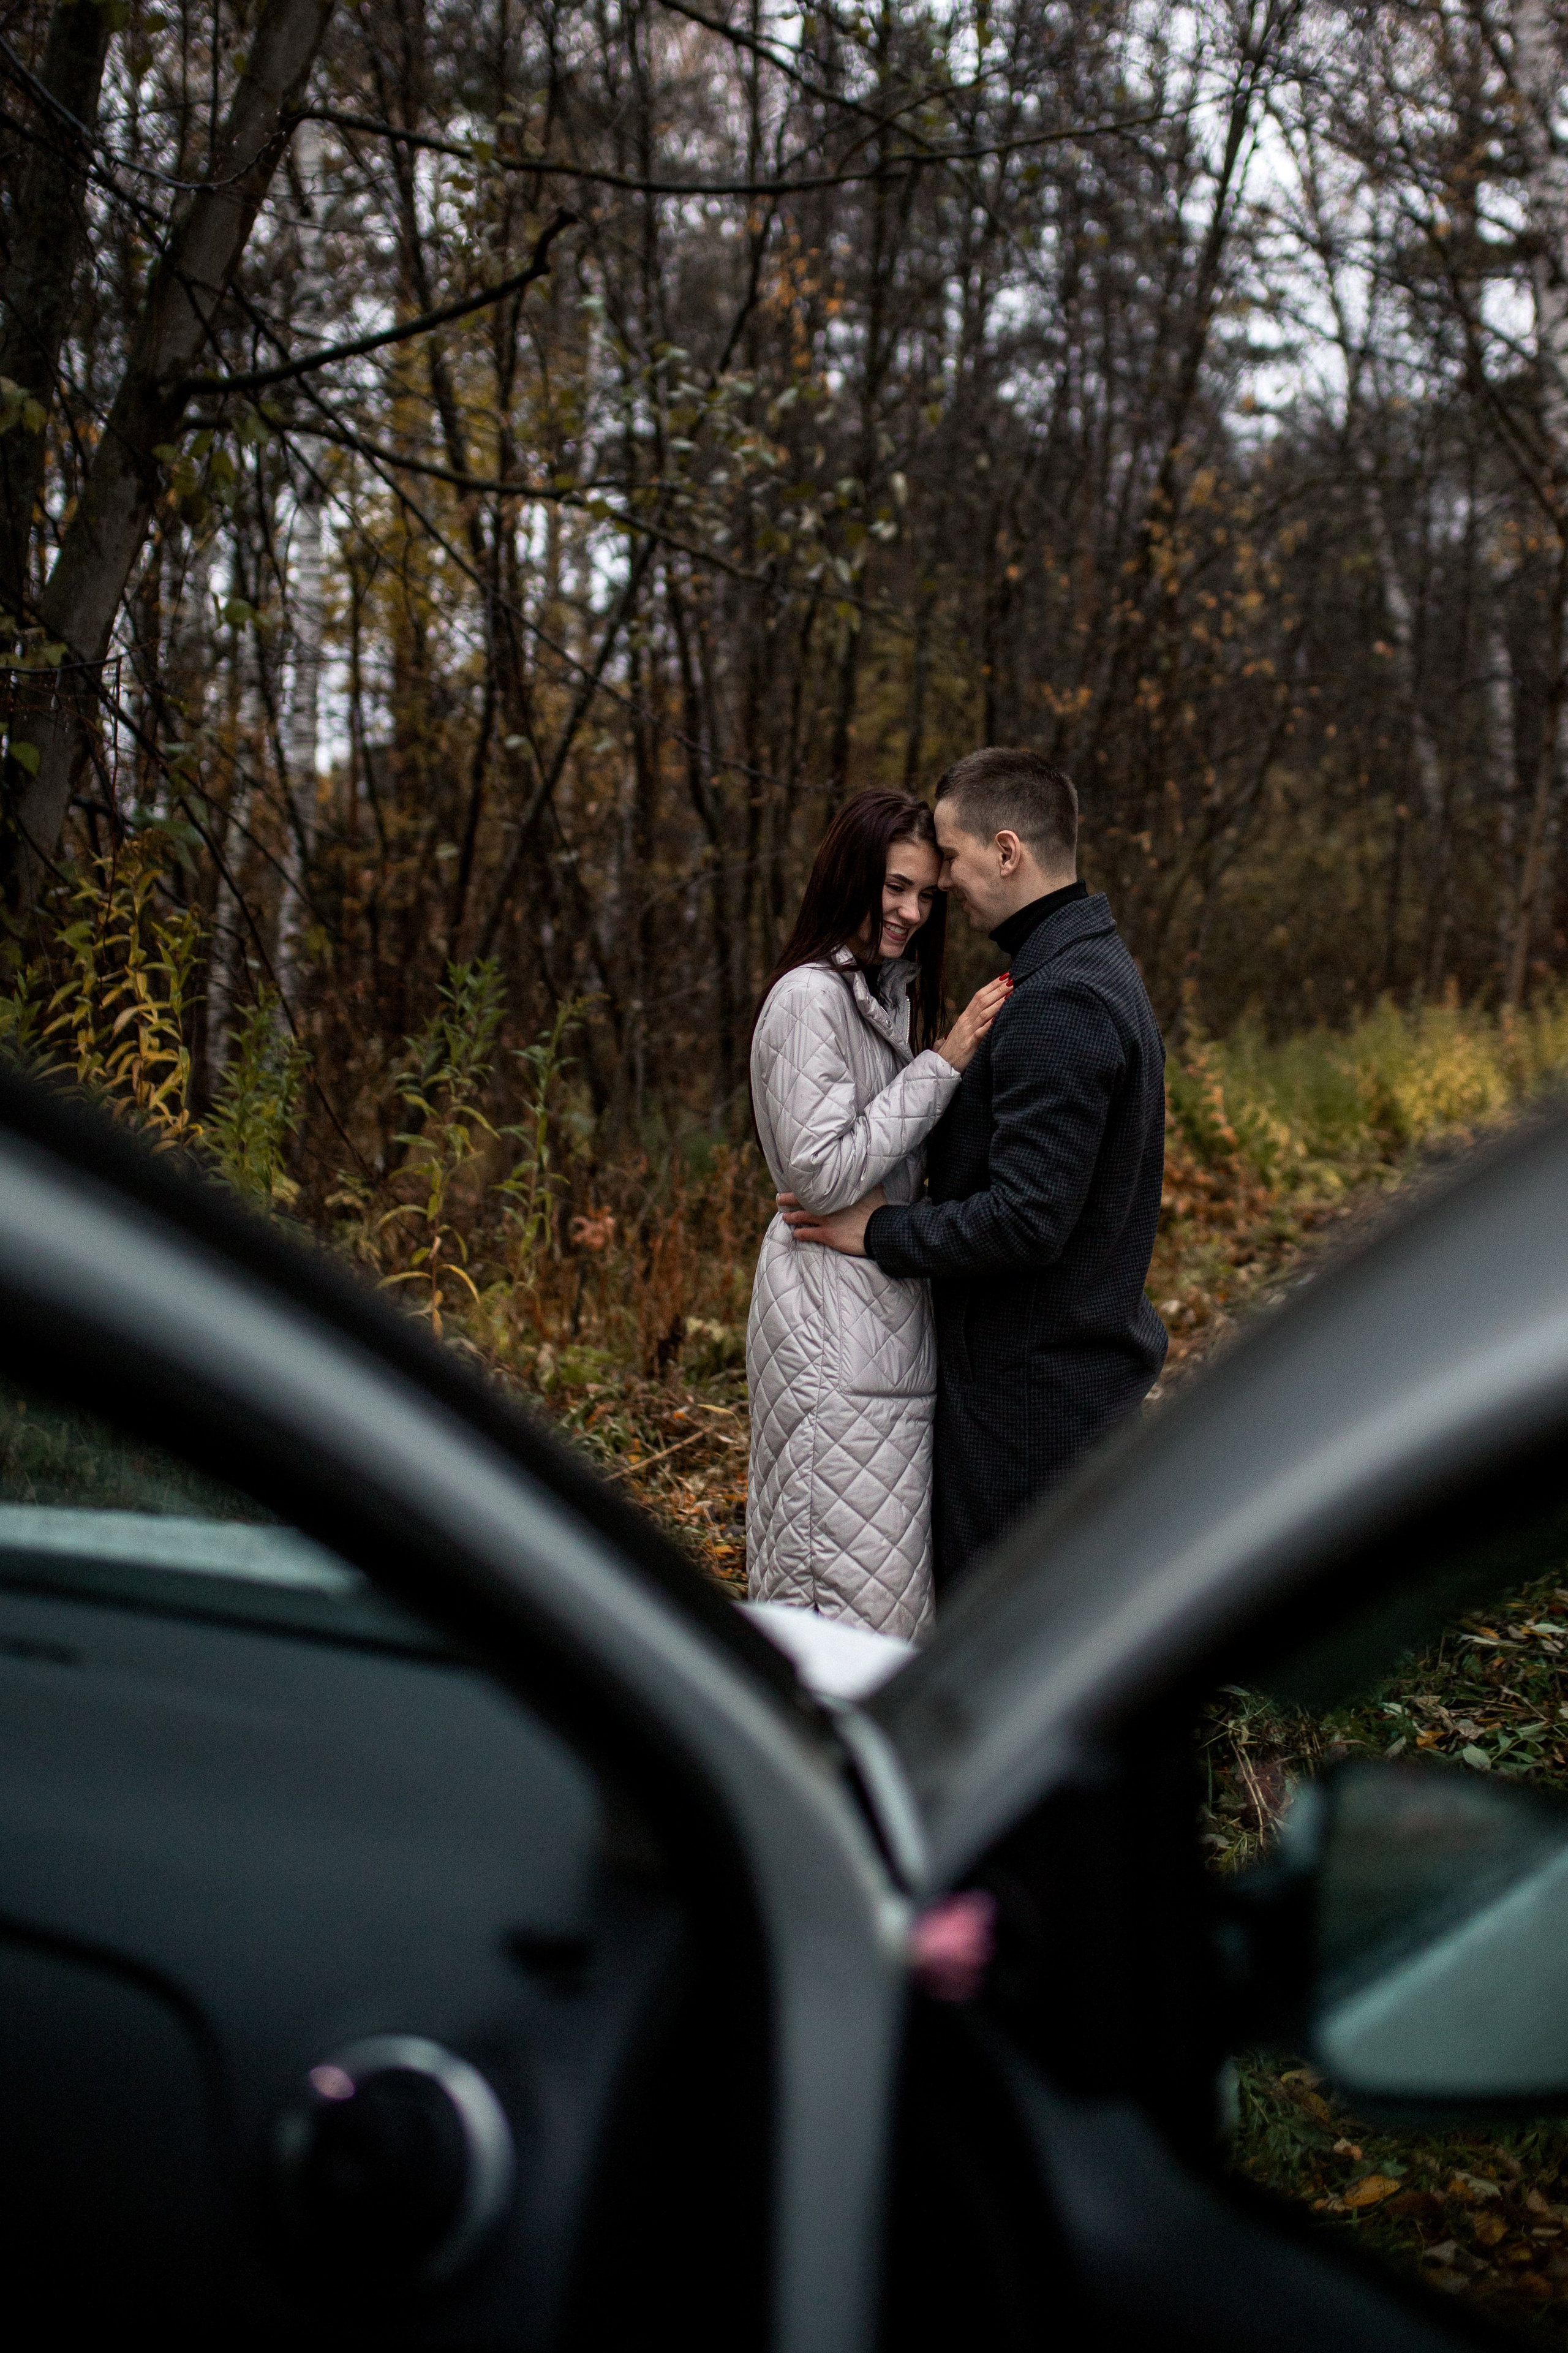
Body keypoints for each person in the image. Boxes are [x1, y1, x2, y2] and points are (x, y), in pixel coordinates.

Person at [782, 747, 1167, 1593]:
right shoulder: (1085, 966)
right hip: (1058, 1385)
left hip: (1032, 1411)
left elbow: (1025, 1221)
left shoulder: (1061, 999)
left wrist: (880, 1231)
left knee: (1007, 1636)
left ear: (1007, 850)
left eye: (951, 858)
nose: (944, 883)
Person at [746, 790, 1010, 1638]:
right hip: (829, 1320)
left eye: (928, 894)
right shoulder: (809, 998)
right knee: (836, 1600)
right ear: (850, 876)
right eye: (896, 887)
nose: (912, 912)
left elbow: (886, 1163)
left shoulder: (878, 997)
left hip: (877, 1318)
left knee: (882, 1597)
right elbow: (821, 1173)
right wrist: (945, 1062)